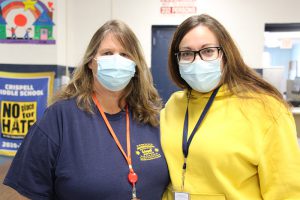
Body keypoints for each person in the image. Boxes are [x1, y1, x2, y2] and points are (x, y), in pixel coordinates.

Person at [3, 19, 169, 200]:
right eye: (107, 53)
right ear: (91, 62)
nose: (116, 60)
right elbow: (28, 193)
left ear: (135, 66)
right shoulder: (60, 118)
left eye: (125, 54)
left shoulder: (151, 117)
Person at [161, 14, 300, 199]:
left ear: (225, 54)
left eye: (208, 51)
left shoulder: (267, 109)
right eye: (187, 53)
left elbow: (286, 192)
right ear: (176, 60)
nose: (197, 61)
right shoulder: (173, 105)